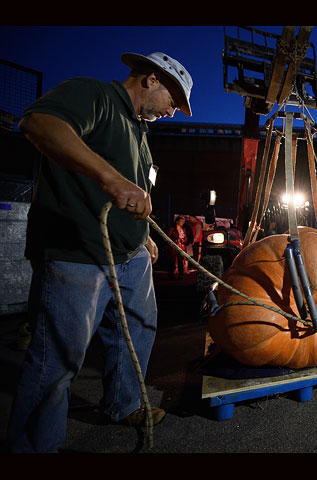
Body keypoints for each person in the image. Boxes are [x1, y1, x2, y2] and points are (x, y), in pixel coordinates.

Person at [7, 51, 194, 453]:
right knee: (57, 357)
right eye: (172, 102)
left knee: (138, 332)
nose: (173, 113)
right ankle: (32, 446)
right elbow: (38, 123)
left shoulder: (140, 132)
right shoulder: (94, 95)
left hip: (130, 255)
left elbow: (136, 189)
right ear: (151, 79)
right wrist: (111, 180)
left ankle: (123, 403)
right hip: (76, 253)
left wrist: (143, 236)